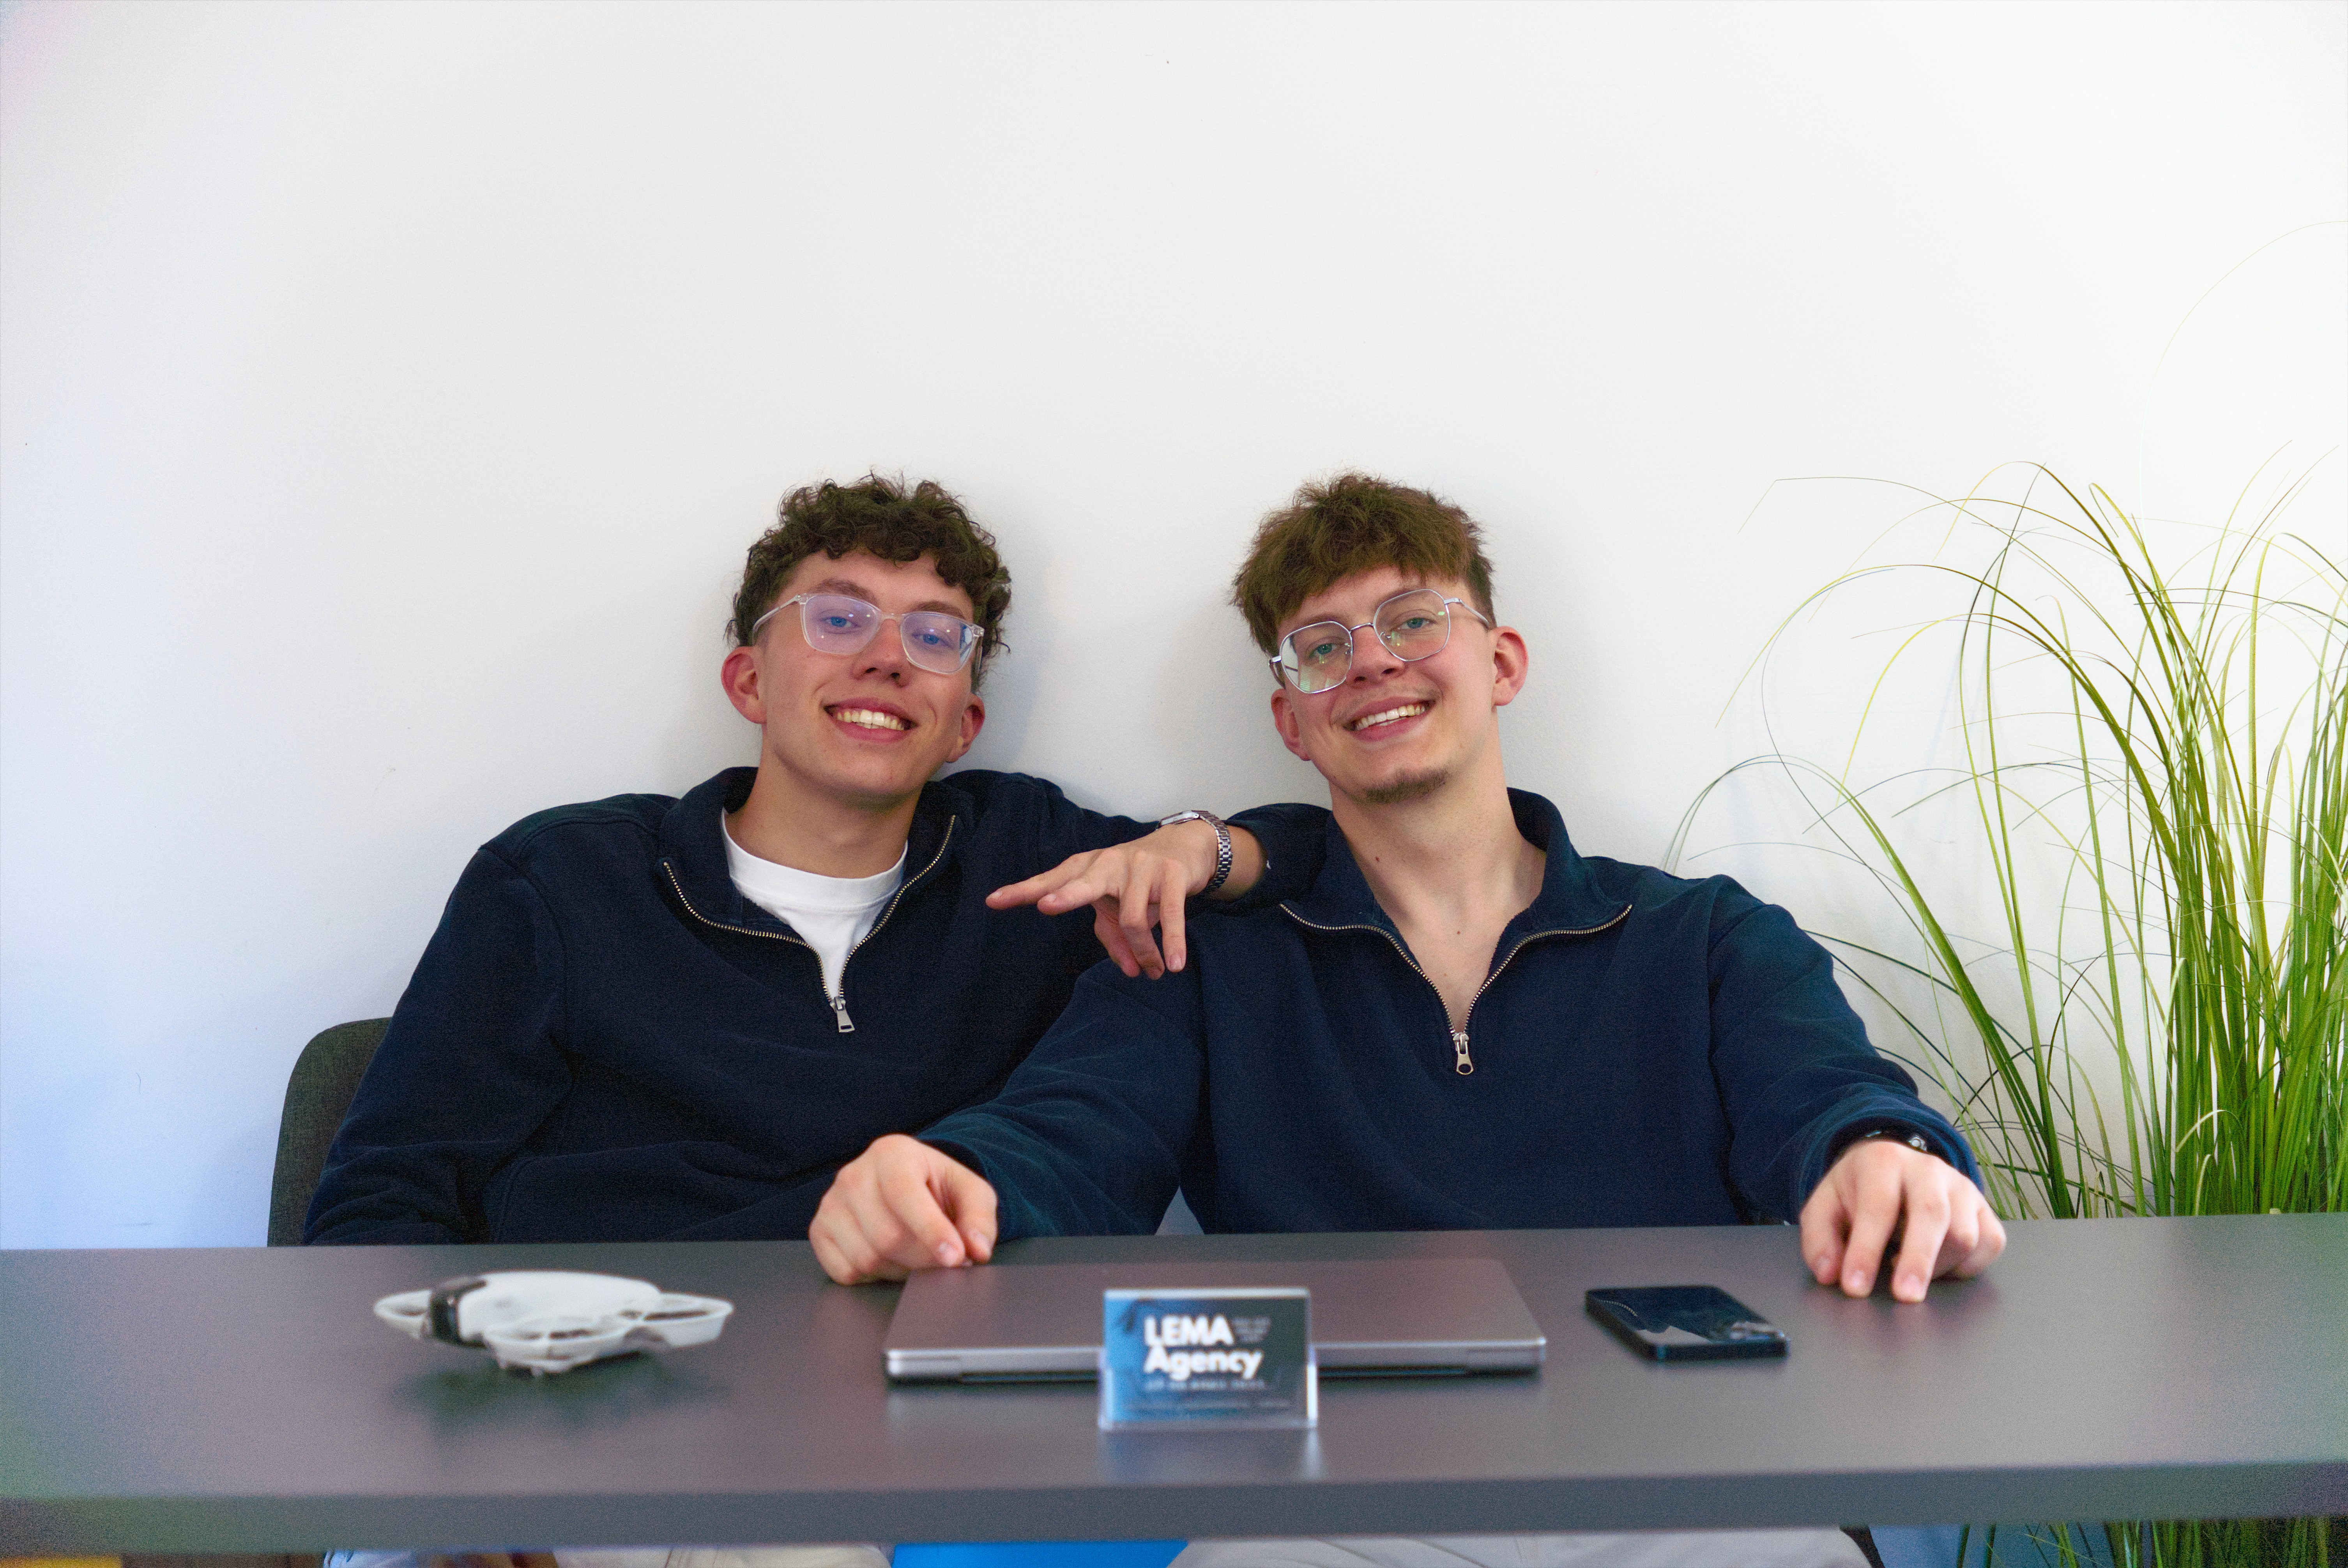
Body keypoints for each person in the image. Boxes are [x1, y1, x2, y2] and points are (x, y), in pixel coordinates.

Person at [810, 474, 2007, 1568]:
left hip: (1685, 1489)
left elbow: (1836, 1103)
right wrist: (950, 1174)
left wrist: (1889, 1161)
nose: (1372, 663)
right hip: (1326, 1509)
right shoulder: (1203, 955)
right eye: (1321, 648)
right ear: (1291, 721)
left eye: (1415, 621)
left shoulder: (1706, 938)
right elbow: (1072, 1132)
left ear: (1505, 660)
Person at [307, 475, 1319, 1251]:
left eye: (935, 636)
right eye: (839, 618)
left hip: (896, 1413)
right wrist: (444, 1474)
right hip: (597, 1403)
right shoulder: (562, 879)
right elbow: (382, 1206)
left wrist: (1207, 843)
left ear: (963, 723)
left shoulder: (1033, 866)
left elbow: (1316, 859)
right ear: (749, 681)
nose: (886, 657)